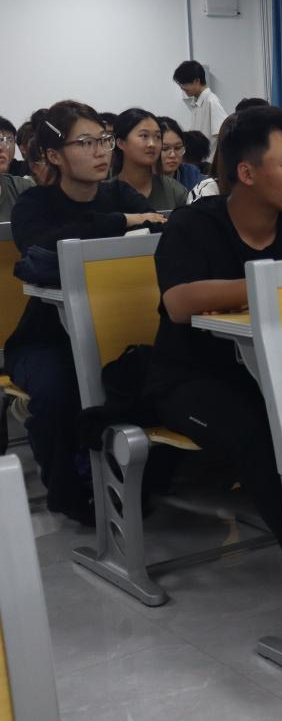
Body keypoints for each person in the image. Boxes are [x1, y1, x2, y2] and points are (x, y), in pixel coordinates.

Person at [144, 107, 282, 555]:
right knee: (262, 433)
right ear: (247, 172)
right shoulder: (194, 223)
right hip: (193, 379)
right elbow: (179, 302)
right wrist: (270, 285)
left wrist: (251, 289)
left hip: (281, 370)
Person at [5, 101, 165, 521]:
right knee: (58, 391)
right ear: (54, 155)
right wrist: (123, 221)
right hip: (47, 337)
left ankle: (143, 480)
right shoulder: (34, 204)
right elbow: (45, 247)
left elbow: (159, 229)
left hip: (120, 324)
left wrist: (127, 219)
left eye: (104, 140)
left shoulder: (117, 193)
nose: (100, 152)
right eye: (86, 142)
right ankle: (69, 493)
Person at [109, 108, 189, 210]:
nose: (152, 144)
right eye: (144, 136)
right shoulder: (103, 193)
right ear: (121, 143)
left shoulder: (174, 191)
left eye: (157, 137)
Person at [172, 60, 229, 159]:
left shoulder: (212, 101)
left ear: (197, 81)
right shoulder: (196, 103)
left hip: (209, 162)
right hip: (199, 160)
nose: (182, 88)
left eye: (184, 84)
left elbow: (225, 134)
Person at [157, 116, 206, 191]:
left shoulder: (190, 173)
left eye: (178, 148)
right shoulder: (142, 177)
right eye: (165, 149)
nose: (173, 155)